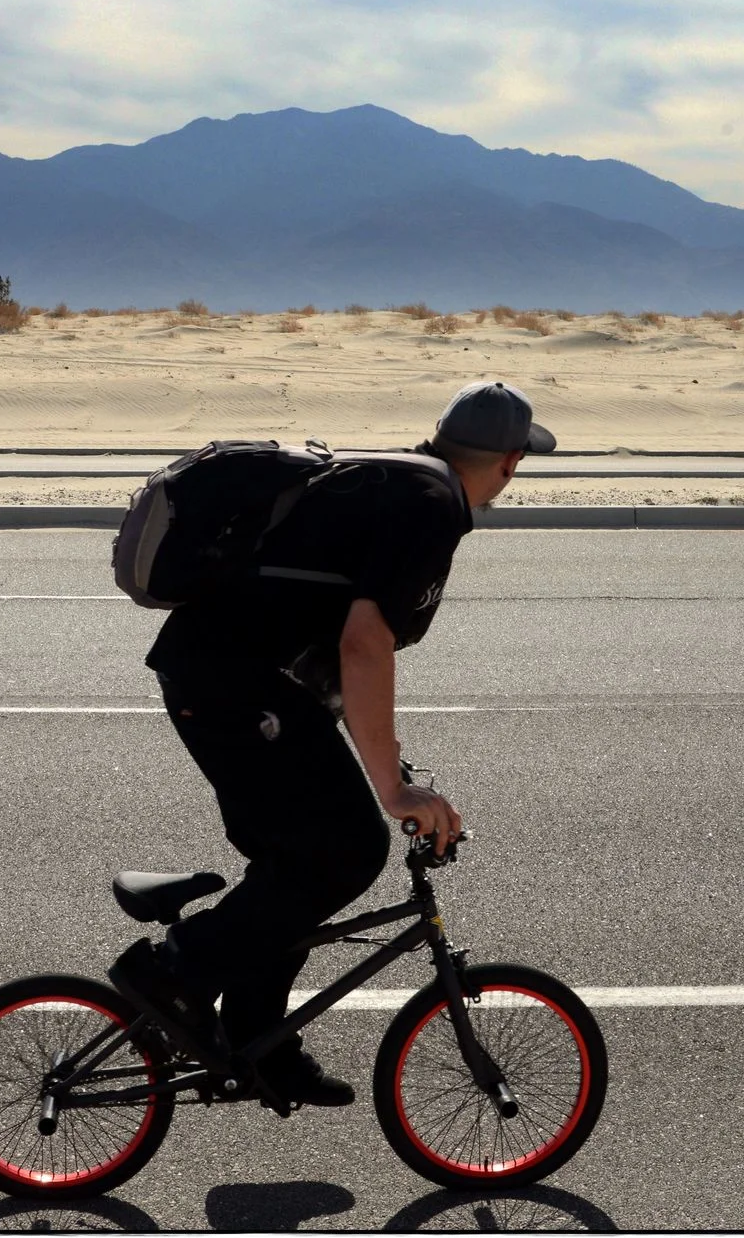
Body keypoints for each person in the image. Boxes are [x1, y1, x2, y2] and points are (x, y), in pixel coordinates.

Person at [109, 380, 556, 1107]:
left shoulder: (395, 481)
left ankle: (262, 1045)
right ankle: (175, 972)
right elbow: (364, 646)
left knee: (300, 862)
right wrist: (391, 790)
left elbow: (331, 658)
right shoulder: (432, 507)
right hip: (232, 686)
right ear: (509, 463)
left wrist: (393, 766)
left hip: (232, 681)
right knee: (346, 848)